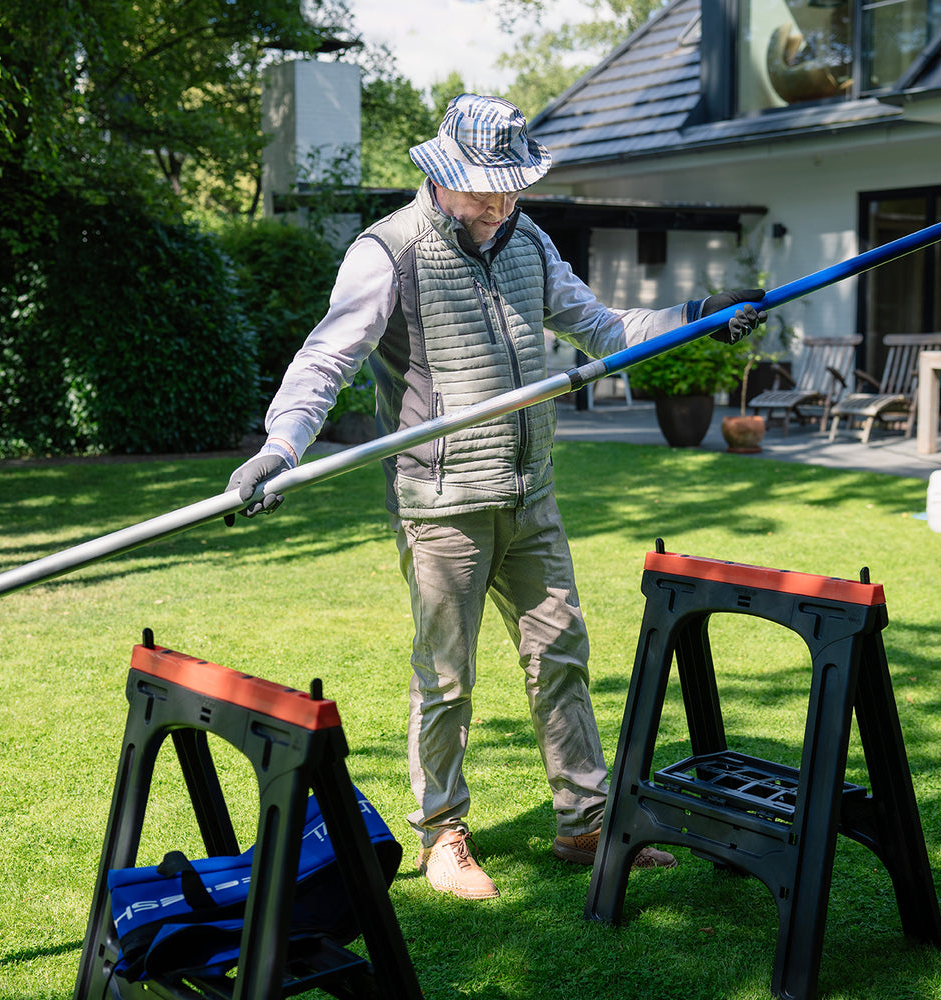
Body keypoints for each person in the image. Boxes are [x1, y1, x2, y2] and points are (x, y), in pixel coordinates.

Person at [228, 94, 764, 900]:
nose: (501, 201)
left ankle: (584, 823)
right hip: (442, 502)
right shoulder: (389, 253)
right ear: (444, 174)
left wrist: (696, 316)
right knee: (445, 677)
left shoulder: (528, 239)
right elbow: (325, 361)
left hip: (531, 491)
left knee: (562, 656)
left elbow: (604, 328)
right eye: (486, 187)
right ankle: (441, 834)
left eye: (511, 187)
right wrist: (281, 445)